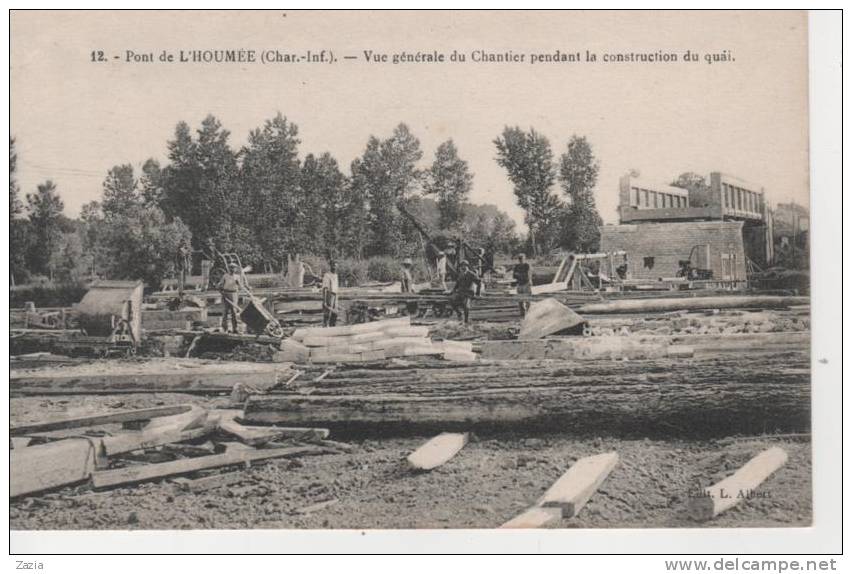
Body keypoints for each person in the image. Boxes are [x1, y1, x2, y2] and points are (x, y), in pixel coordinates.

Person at [448, 259, 482, 325]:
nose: (463, 267)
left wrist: (478, 293)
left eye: (465, 266)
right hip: (461, 292)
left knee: (465, 305)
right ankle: (459, 313)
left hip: (468, 293)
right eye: (462, 266)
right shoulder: (461, 274)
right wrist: (453, 290)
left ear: (467, 266)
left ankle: (466, 321)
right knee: (451, 300)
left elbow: (479, 283)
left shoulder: (471, 274)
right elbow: (457, 284)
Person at [218, 263, 243, 333]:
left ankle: (235, 328)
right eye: (231, 268)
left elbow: (241, 287)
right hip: (226, 294)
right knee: (225, 312)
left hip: (234, 294)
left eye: (234, 268)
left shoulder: (237, 276)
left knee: (234, 312)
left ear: (235, 269)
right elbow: (219, 286)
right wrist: (222, 293)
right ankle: (224, 328)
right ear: (228, 269)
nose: (232, 269)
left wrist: (238, 283)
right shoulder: (225, 276)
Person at [513, 253, 533, 317]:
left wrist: (519, 274)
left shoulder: (527, 265)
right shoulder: (516, 266)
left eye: (522, 258)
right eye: (519, 259)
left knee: (527, 300)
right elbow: (514, 275)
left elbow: (528, 275)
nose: (520, 260)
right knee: (520, 300)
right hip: (519, 284)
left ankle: (529, 313)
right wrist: (520, 275)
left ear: (524, 259)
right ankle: (522, 313)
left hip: (526, 283)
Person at [322, 260, 340, 327]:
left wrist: (337, 298)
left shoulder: (336, 275)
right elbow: (325, 288)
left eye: (336, 266)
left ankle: (333, 327)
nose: (335, 268)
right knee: (327, 313)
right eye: (333, 266)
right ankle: (325, 328)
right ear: (331, 266)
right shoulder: (327, 275)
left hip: (335, 295)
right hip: (329, 295)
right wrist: (324, 301)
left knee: (335, 313)